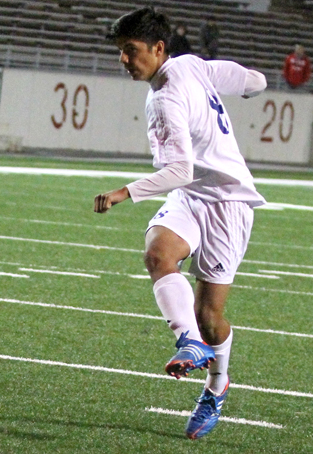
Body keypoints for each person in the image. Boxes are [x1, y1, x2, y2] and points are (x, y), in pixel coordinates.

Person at [96, 7, 266, 440]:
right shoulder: (190, 64)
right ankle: (188, 341)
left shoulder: (166, 97)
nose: (124, 60)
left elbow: (179, 171)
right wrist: (253, 84)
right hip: (192, 199)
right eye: (120, 52)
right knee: (158, 252)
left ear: (157, 48)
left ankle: (216, 384)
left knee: (211, 317)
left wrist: (123, 192)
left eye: (130, 51)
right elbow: (244, 78)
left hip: (228, 203)